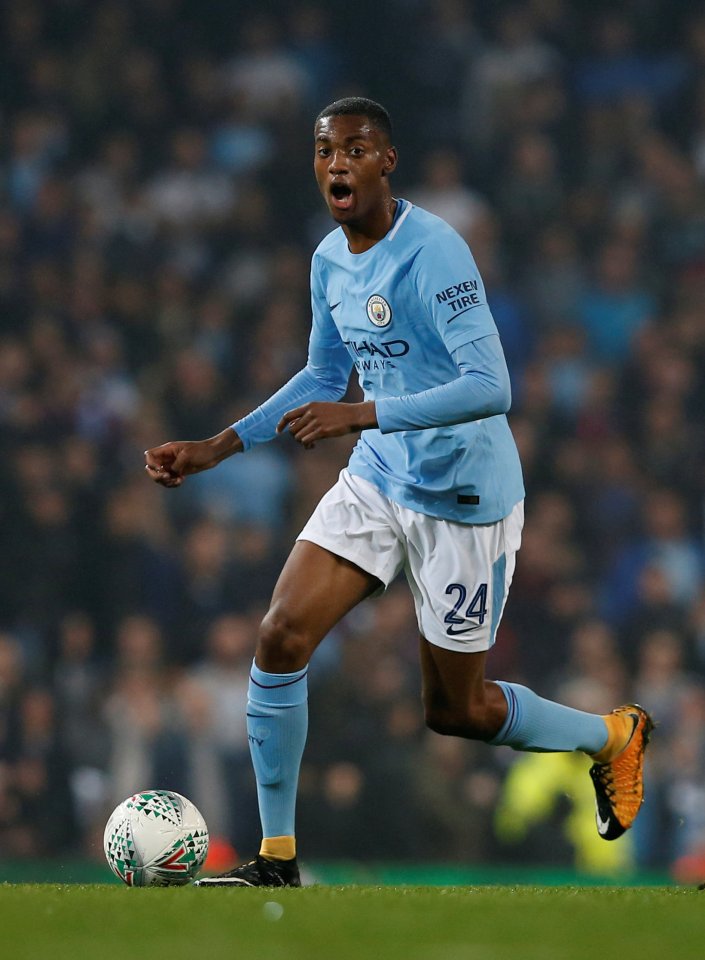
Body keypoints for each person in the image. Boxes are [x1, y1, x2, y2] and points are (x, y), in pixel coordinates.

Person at [144, 97, 653, 887]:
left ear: (387, 161)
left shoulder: (436, 252)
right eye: (323, 151)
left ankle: (609, 738)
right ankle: (276, 860)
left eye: (355, 148)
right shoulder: (327, 260)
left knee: (456, 711)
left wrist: (362, 412)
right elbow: (320, 373)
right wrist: (219, 444)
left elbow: (491, 385)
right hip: (379, 477)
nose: (336, 163)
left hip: (462, 499)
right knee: (279, 637)